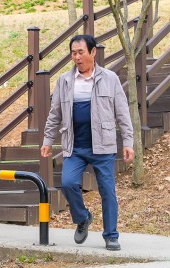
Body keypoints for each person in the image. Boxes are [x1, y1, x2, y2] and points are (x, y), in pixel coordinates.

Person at [41, 35, 135, 251]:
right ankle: (83, 217)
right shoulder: (64, 81)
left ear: (93, 52)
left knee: (107, 191)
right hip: (75, 146)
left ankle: (111, 235)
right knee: (67, 183)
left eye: (81, 52)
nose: (77, 57)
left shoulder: (109, 78)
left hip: (103, 146)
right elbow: (55, 114)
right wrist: (48, 139)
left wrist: (128, 142)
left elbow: (122, 112)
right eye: (73, 53)